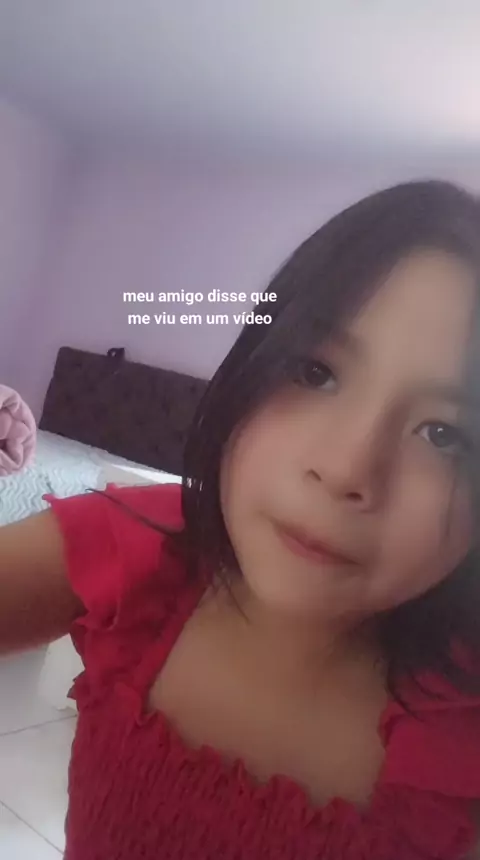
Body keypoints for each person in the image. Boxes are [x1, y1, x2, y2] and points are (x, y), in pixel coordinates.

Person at [1, 180, 480, 860]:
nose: (346, 469)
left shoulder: (460, 738)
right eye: (315, 372)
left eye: (444, 434)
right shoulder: (140, 546)